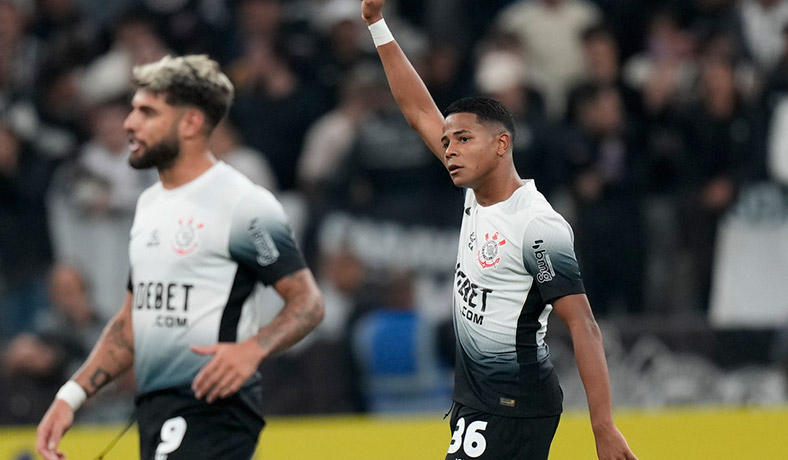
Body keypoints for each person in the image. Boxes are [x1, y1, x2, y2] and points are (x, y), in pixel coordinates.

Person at [360, 1, 637, 459]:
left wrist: (603, 426)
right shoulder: (475, 192)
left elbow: (584, 325)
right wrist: (377, 25)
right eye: (447, 142)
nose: (450, 149)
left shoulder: (537, 226)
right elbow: (417, 110)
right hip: (477, 402)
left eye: (463, 139)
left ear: (501, 144)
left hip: (515, 403)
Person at [36, 54, 324, 460]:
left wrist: (253, 348)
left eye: (146, 112)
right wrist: (71, 394)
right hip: (155, 412)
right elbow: (131, 323)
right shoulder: (150, 204)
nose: (128, 123)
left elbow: (307, 303)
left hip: (213, 407)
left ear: (189, 123)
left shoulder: (242, 204)